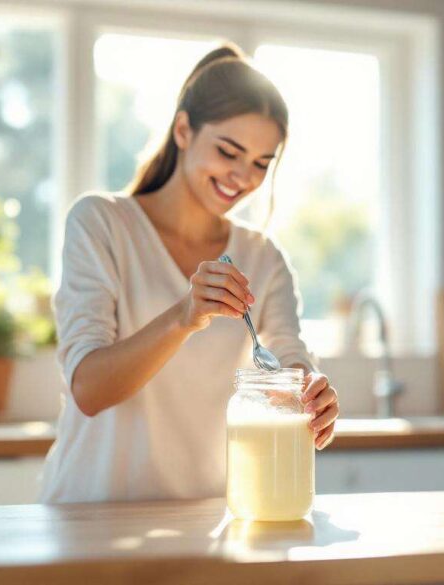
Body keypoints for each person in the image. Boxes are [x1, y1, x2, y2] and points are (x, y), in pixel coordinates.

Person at [39, 43, 340, 504]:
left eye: (262, 163)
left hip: (205, 522)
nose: (243, 176)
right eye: (228, 151)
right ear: (183, 130)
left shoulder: (262, 257)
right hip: (90, 516)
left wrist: (308, 390)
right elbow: (88, 388)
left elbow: (288, 355)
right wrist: (185, 315)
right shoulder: (101, 223)